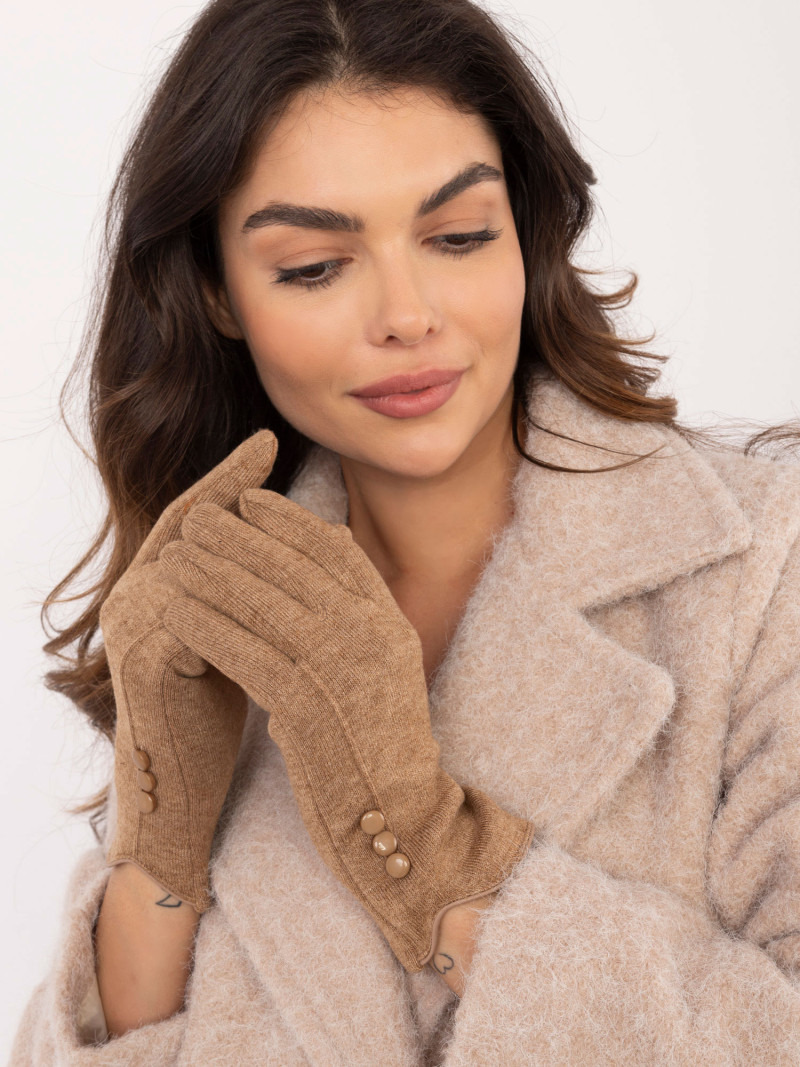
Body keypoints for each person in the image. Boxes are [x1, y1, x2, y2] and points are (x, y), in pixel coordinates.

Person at [9, 0, 800, 1063]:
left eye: (458, 237)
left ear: (527, 231)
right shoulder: (224, 616)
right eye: (312, 265)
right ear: (217, 292)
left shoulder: (765, 572)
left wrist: (425, 844)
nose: (407, 313)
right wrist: (163, 831)